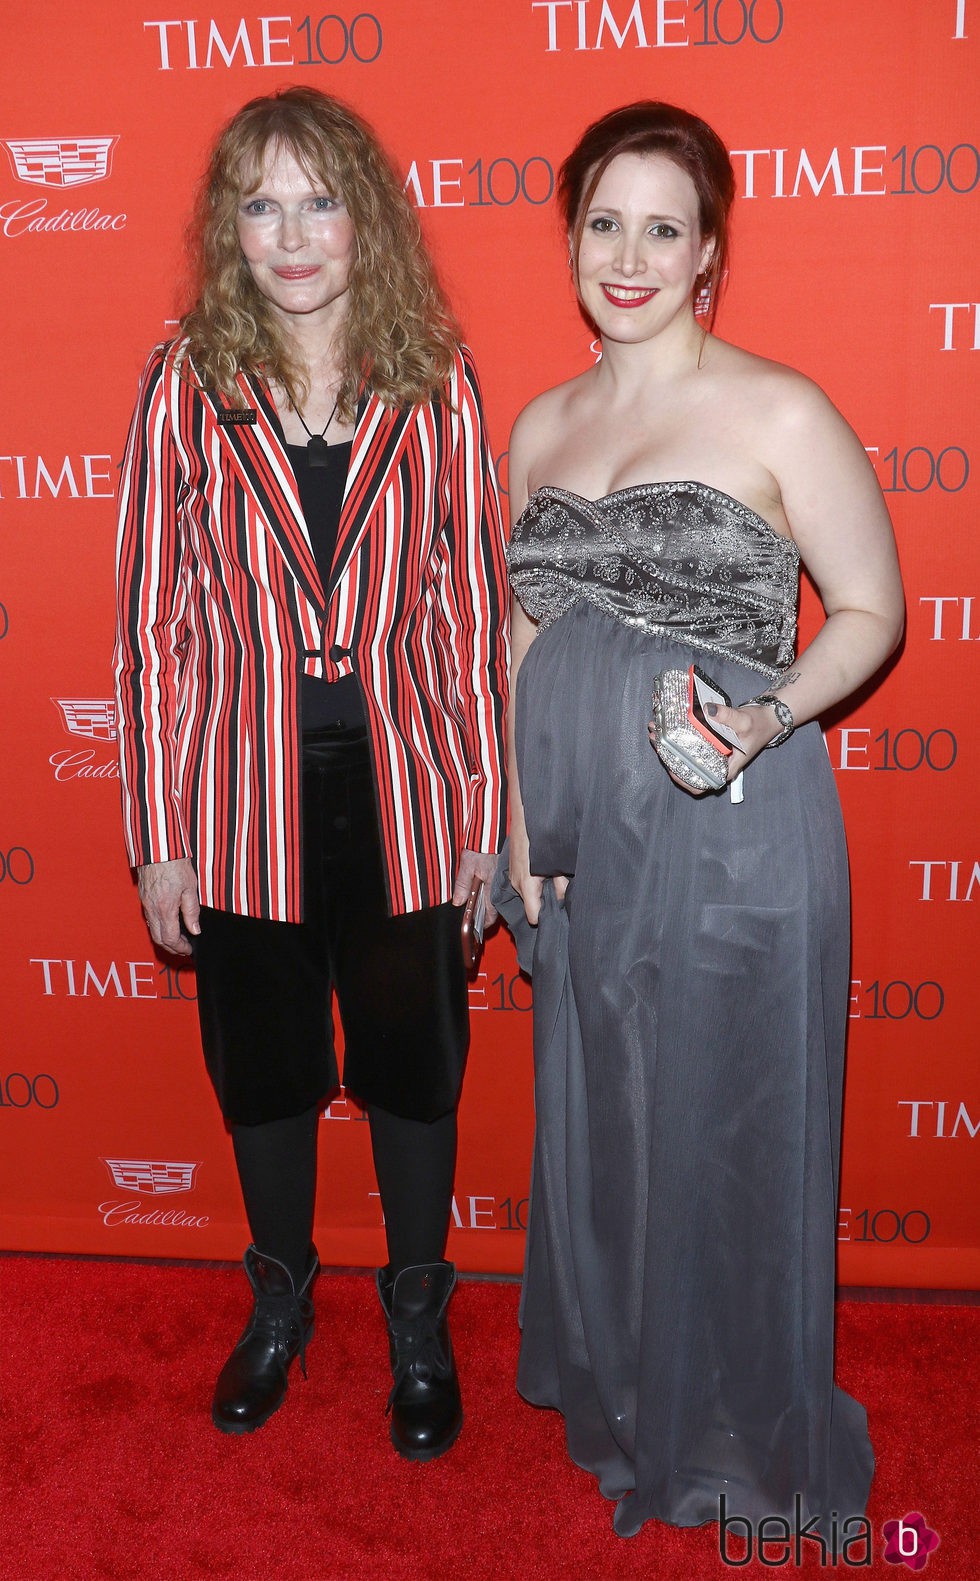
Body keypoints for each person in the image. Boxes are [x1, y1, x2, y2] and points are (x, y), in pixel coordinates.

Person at [494, 102, 903, 1540]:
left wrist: (774, 711)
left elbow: (872, 611)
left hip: (731, 820)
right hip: (581, 845)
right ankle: (624, 1391)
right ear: (570, 240)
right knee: (610, 1114)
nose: (630, 253)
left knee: (724, 1120)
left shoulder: (778, 408)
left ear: (709, 250)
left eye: (664, 226)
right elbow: (519, 634)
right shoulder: (539, 423)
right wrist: (505, 819)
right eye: (604, 220)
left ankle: (732, 1429)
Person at [114, 87, 508, 1461]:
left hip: (404, 793)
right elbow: (155, 624)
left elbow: (467, 617)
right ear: (231, 224)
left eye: (320, 199)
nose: (292, 234)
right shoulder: (186, 381)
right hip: (240, 798)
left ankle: (417, 1314)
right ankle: (280, 1301)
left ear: (368, 220)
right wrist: (161, 832)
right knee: (268, 1074)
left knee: (413, 1071)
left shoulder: (437, 374)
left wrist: (485, 819)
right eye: (261, 202)